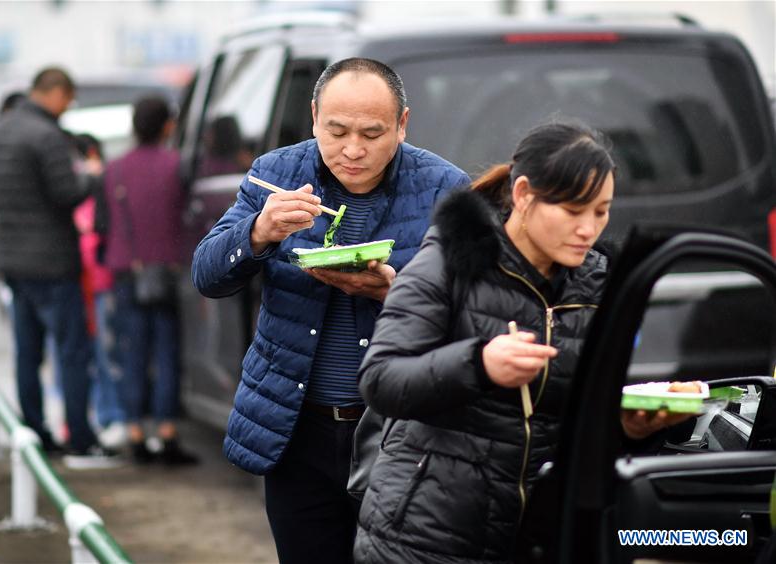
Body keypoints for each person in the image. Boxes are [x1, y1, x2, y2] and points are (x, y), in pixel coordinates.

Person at [353, 121, 692, 563]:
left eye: (601, 211)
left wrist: (632, 428)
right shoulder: (448, 263)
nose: (588, 229)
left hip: (544, 534)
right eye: (573, 211)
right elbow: (381, 380)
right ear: (523, 195)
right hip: (428, 537)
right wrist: (478, 363)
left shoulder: (599, 286)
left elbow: (579, 419)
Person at [192, 58, 471, 564]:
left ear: (402, 125)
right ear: (315, 116)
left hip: (399, 433)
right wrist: (260, 231)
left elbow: (475, 312)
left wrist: (394, 292)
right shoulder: (276, 173)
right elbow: (207, 276)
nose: (353, 150)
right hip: (297, 427)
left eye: (372, 133)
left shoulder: (445, 189)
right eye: (337, 130)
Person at [0, 67, 118, 467]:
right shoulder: (47, 136)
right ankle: (79, 436)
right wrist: (92, 177)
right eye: (68, 99)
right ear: (56, 92)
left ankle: (35, 432)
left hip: (12, 260)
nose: (68, 107)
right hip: (54, 263)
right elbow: (66, 194)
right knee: (73, 352)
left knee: (27, 351)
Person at [97, 96, 196, 465]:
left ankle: (135, 430)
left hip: (127, 271)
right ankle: (167, 432)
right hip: (169, 271)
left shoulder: (115, 168)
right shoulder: (177, 165)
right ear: (167, 126)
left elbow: (102, 223)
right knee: (168, 352)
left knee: (131, 352)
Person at [71, 133, 127, 449]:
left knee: (108, 355)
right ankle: (93, 416)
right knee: (86, 355)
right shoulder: (75, 190)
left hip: (102, 282)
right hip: (79, 283)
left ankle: (113, 416)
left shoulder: (103, 186)